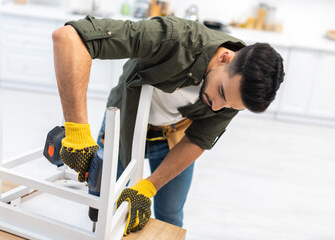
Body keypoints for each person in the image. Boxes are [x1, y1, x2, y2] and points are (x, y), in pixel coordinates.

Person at [51, 15, 284, 235]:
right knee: (105, 212)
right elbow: (69, 37)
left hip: (174, 138)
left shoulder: (235, 90)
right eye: (221, 92)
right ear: (225, 58)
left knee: (170, 217)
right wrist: (77, 131)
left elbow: (199, 139)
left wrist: (148, 187)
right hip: (123, 129)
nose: (216, 108)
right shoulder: (172, 38)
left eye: (228, 106)